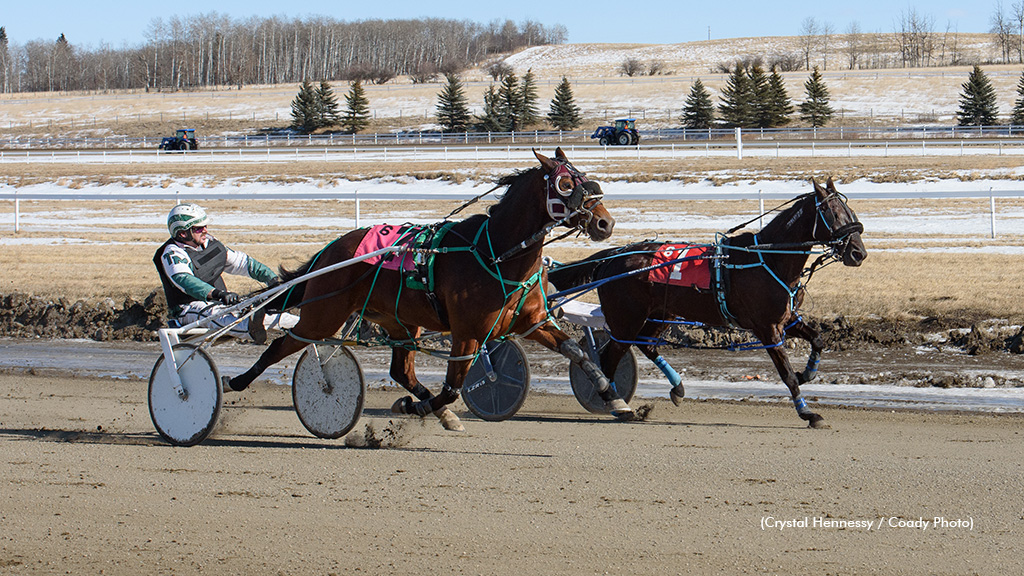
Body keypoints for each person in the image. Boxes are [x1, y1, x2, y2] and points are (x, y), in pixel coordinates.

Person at [154, 202, 293, 344]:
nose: (205, 231)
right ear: (183, 233)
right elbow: (185, 280)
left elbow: (243, 263)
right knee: (218, 316)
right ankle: (251, 328)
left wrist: (272, 279)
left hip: (218, 303)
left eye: (205, 226)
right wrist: (218, 294)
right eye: (199, 228)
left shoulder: (210, 243)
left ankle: (299, 323)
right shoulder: (172, 253)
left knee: (256, 309)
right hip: (188, 309)